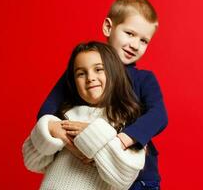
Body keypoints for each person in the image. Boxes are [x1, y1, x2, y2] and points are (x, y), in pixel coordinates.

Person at [36, 0, 168, 190]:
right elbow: (46, 112)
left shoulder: (144, 79)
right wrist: (66, 139)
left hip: (138, 174)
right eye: (130, 33)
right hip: (91, 172)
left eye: (144, 40)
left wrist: (122, 139)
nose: (135, 44)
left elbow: (158, 115)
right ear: (108, 27)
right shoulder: (82, 70)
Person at [23, 42, 146, 190]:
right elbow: (32, 162)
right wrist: (49, 127)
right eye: (81, 73)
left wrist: (91, 136)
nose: (90, 78)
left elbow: (124, 178)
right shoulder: (65, 115)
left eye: (98, 69)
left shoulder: (132, 124)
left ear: (115, 72)